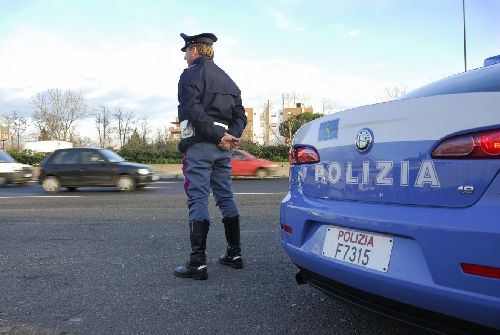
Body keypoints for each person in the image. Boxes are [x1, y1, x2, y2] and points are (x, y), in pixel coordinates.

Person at [174, 32, 247, 280]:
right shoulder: (229, 80)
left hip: (201, 143)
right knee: (225, 196)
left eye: (186, 51)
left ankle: (198, 264)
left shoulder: (190, 75)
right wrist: (230, 136)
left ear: (195, 50)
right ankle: (234, 254)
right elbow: (241, 116)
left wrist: (217, 135)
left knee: (197, 198)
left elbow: (192, 111)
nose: (184, 57)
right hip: (223, 148)